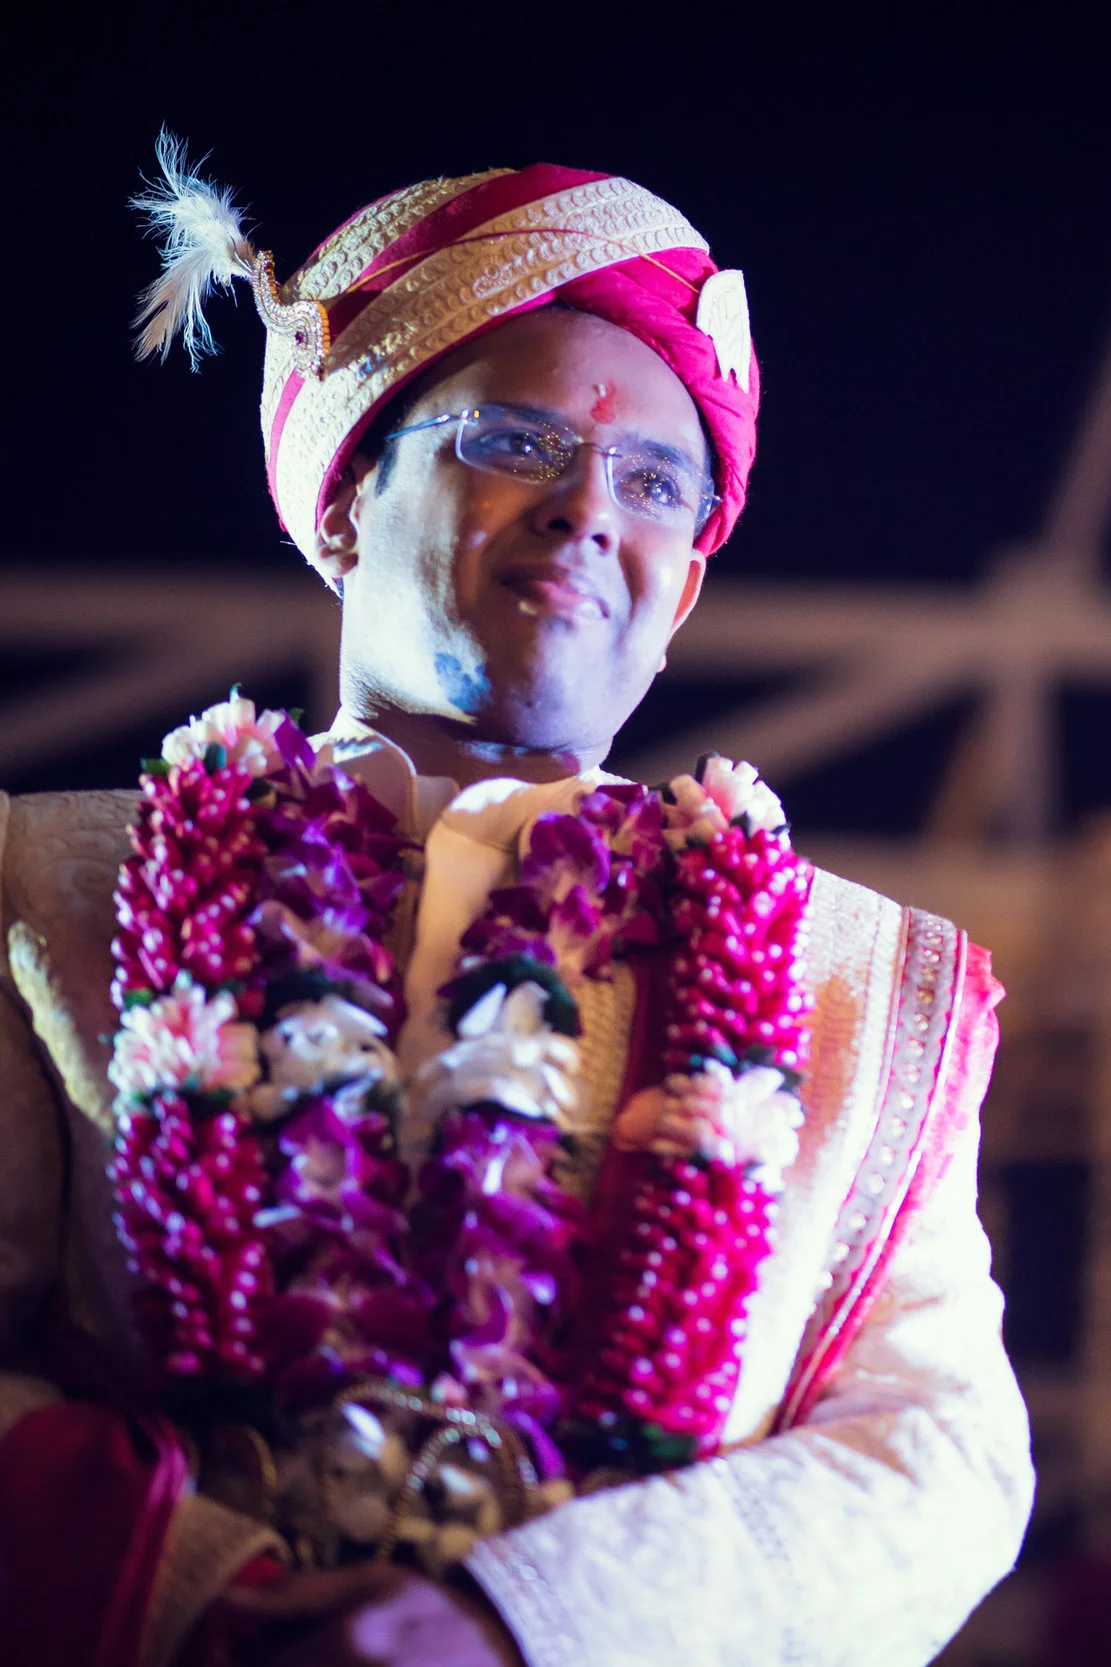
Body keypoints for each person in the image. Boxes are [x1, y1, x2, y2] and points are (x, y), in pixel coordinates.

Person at [0, 141, 1031, 1666]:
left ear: (680, 592)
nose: (587, 512)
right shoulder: (46, 885)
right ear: (346, 501)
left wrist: (519, 1617)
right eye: (518, 441)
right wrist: (197, 1591)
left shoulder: (857, 979)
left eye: (654, 482)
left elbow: (939, 1456)